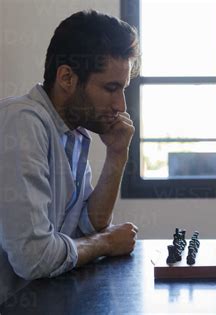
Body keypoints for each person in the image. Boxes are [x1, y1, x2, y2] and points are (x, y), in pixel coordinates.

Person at [0, 10, 140, 303]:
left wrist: (117, 154)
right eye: (111, 88)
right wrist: (105, 244)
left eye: (123, 89)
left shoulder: (73, 132)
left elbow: (88, 227)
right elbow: (34, 258)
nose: (120, 105)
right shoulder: (23, 121)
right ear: (66, 77)